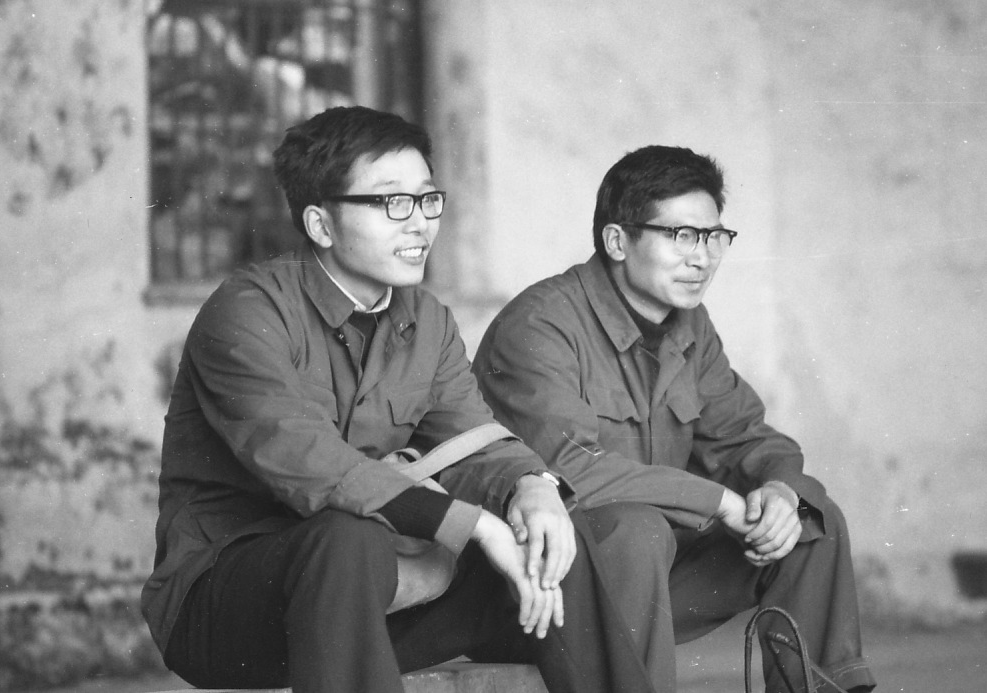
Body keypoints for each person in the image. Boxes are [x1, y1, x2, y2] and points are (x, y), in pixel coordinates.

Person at [141, 106, 655, 693]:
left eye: (427, 199)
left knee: (554, 536)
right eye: (391, 202)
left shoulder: (426, 320)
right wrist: (475, 526)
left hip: (378, 599)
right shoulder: (248, 313)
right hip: (228, 609)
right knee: (346, 539)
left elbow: (474, 440)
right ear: (321, 225)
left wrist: (532, 487)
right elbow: (312, 465)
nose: (419, 224)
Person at [472, 145, 877, 693]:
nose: (702, 258)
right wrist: (722, 503)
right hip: (535, 593)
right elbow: (571, 471)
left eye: (714, 237)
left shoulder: (689, 324)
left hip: (648, 579)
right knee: (634, 529)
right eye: (681, 236)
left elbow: (745, 437)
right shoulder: (542, 325)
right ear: (618, 241)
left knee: (808, 516)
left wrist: (781, 490)